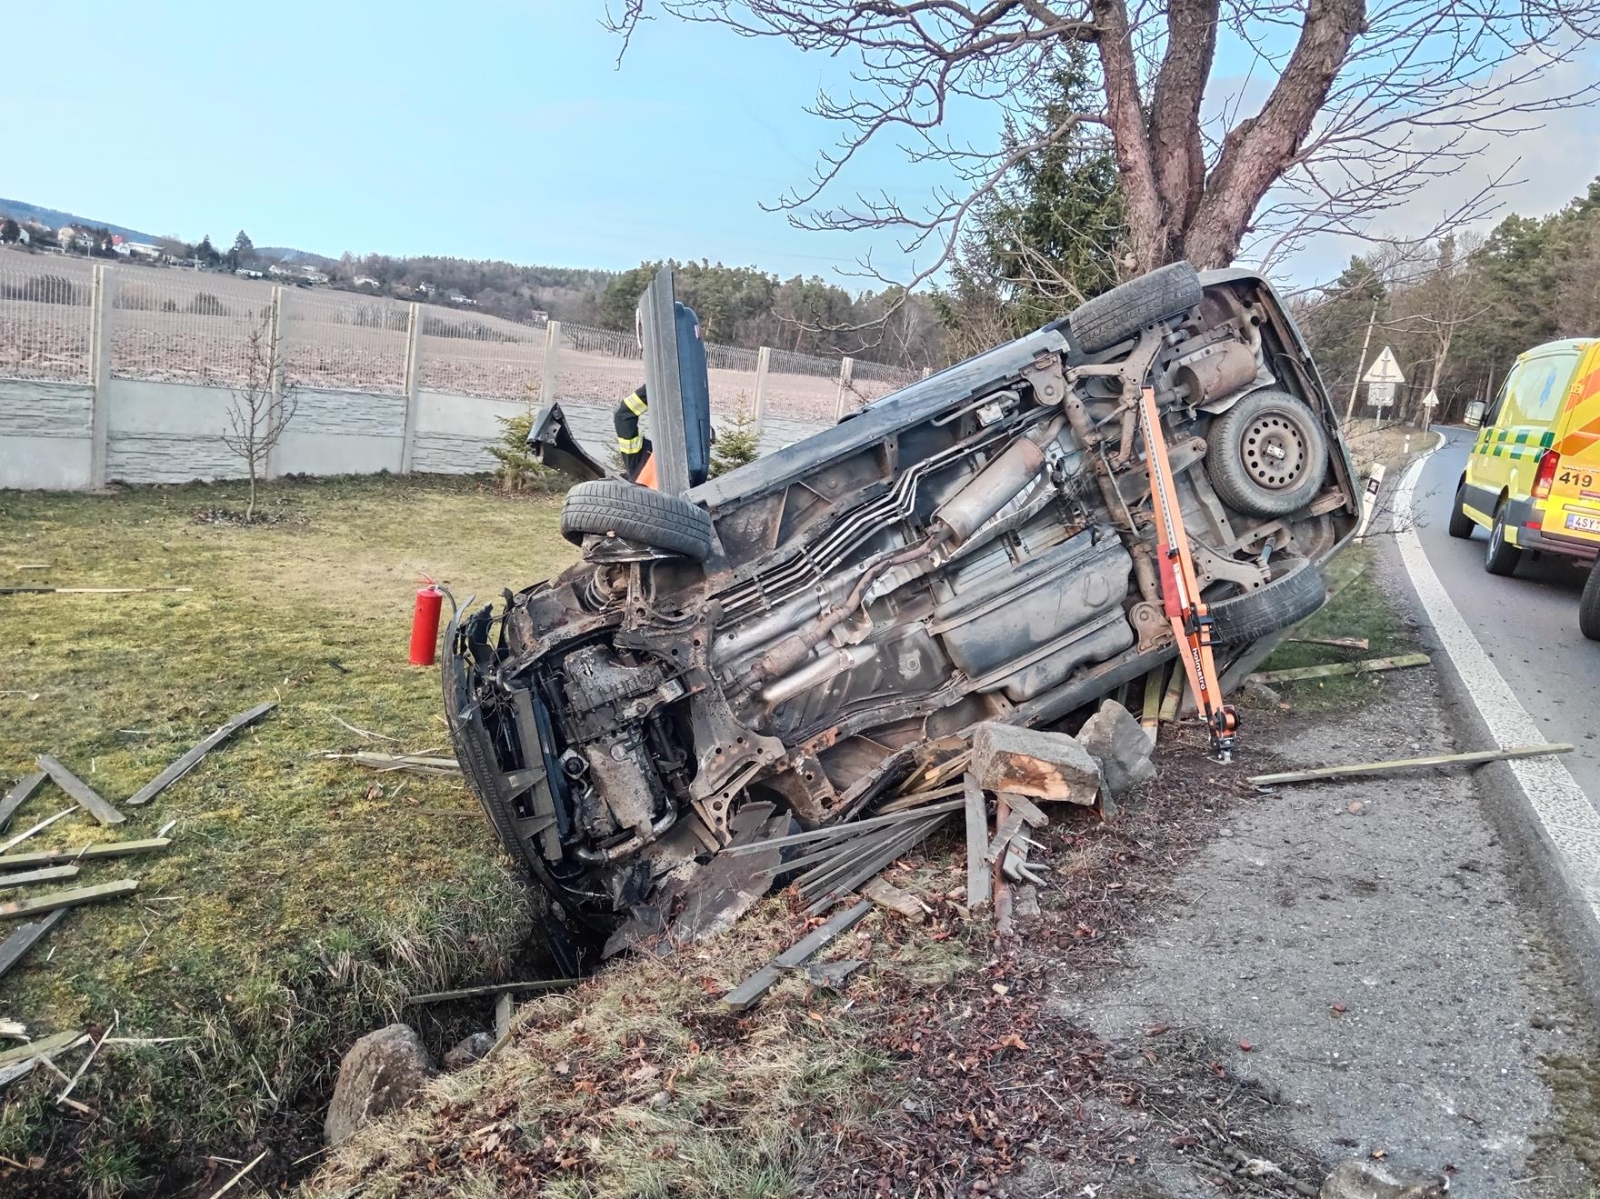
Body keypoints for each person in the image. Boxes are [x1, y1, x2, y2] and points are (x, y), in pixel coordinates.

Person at [613, 383, 657, 487]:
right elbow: (623, 416)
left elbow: (623, 416)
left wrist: (657, 384)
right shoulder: (639, 459)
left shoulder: (638, 460)